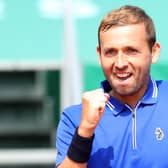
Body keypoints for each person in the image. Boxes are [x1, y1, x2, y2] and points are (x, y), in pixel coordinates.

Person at [56, 5, 168, 168]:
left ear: (154, 52)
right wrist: (85, 131)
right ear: (99, 55)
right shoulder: (74, 118)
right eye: (110, 52)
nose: (120, 63)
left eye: (131, 50)